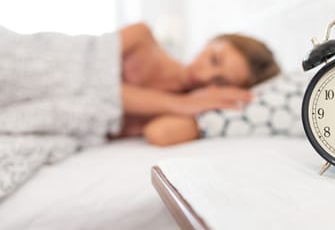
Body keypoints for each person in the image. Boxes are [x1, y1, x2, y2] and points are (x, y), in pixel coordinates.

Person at [117, 23, 280, 146]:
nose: (205, 76)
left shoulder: (190, 108)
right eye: (214, 59)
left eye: (220, 82)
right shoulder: (140, 37)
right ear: (211, 41)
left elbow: (158, 134)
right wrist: (182, 103)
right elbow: (93, 92)